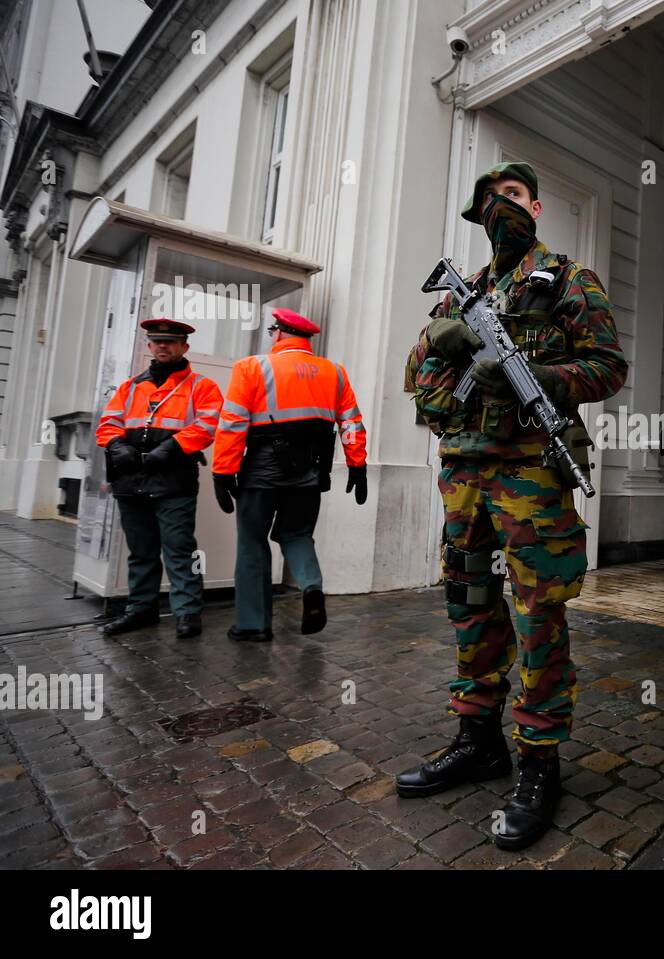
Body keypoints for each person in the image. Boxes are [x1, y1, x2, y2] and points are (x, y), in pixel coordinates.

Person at [398, 161, 628, 851]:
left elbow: (607, 365)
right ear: (478, 214)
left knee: (537, 614)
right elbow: (421, 382)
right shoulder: (460, 293)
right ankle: (478, 739)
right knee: (470, 603)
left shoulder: (567, 277)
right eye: (490, 199)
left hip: (532, 471)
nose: (502, 206)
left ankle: (537, 760)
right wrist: (441, 339)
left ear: (536, 204)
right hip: (466, 473)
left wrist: (538, 377)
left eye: (513, 196)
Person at [211, 307, 368, 642]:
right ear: (307, 339)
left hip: (261, 475)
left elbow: (233, 423)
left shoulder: (252, 367)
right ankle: (311, 587)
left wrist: (223, 471)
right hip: (309, 475)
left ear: (279, 333)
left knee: (252, 544)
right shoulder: (334, 372)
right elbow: (352, 422)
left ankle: (253, 625)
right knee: (297, 536)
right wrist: (358, 464)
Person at [95, 318, 223, 639]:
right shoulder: (129, 387)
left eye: (170, 341)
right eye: (157, 341)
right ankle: (141, 609)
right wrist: (116, 444)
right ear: (149, 345)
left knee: (182, 550)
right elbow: (108, 423)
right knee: (141, 550)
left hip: (173, 480)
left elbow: (208, 424)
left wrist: (172, 448)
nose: (163, 346)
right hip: (132, 482)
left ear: (184, 347)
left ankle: (188, 611)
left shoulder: (201, 386)